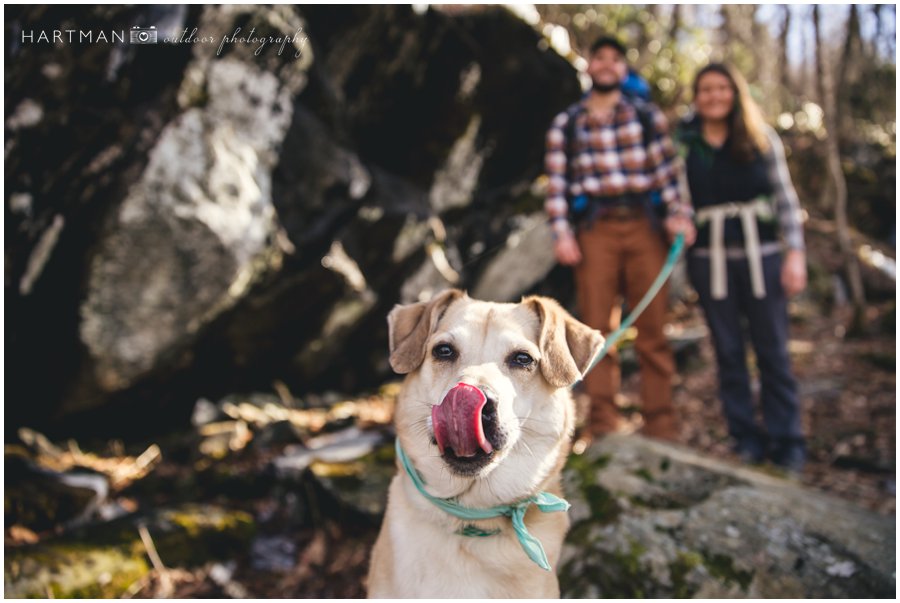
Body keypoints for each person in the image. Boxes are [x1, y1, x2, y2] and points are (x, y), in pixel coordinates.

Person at [544, 35, 695, 446]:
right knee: (597, 331)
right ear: (589, 67)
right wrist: (562, 233)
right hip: (595, 230)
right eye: (600, 59)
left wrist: (680, 216)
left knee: (653, 329)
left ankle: (660, 426)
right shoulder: (568, 123)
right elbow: (557, 185)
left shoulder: (645, 117)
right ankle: (604, 424)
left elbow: (667, 174)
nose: (608, 65)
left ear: (623, 70)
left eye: (615, 60)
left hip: (645, 226)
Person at [677, 63, 807, 471]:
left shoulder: (760, 137)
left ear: (735, 92)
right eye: (705, 89)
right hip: (710, 263)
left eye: (722, 88)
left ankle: (788, 440)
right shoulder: (686, 145)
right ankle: (745, 437)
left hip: (763, 258)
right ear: (696, 97)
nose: (714, 96)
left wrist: (795, 253)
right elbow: (678, 198)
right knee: (729, 353)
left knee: (773, 351)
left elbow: (785, 200)